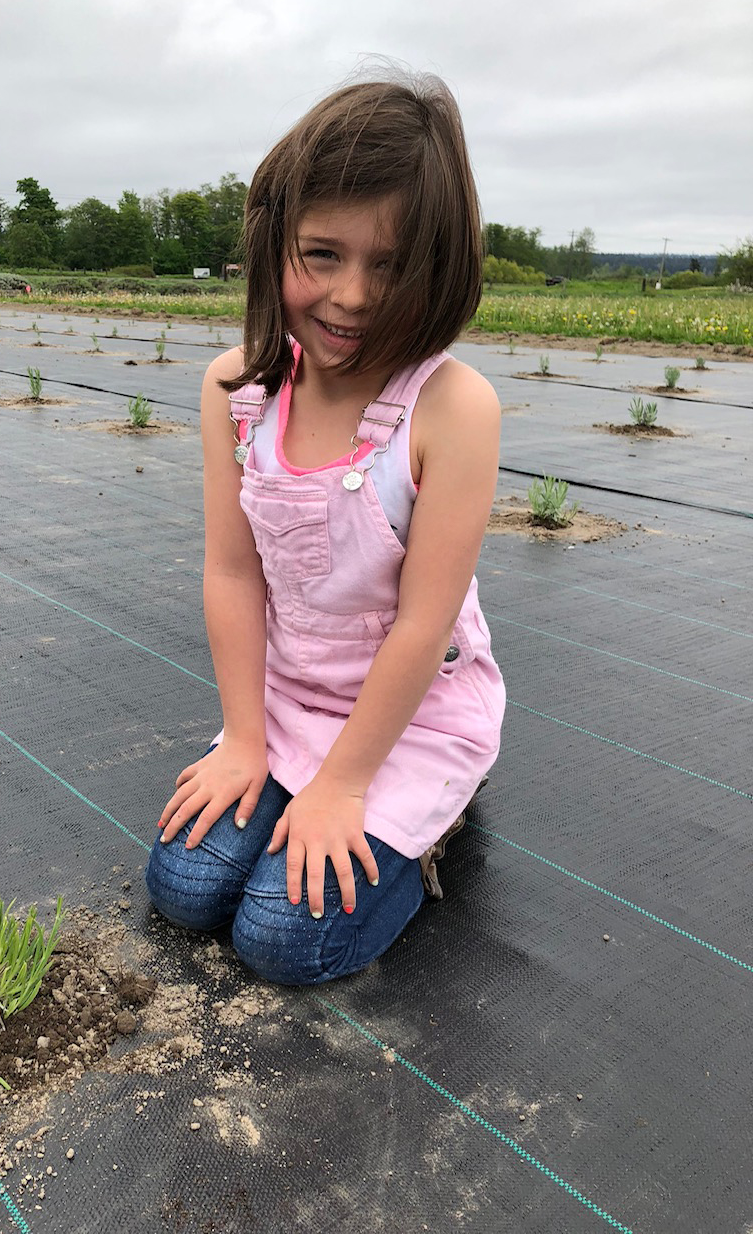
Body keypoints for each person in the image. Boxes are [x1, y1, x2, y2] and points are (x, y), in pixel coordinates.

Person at [145, 74, 505, 985]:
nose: (351, 296)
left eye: (389, 265)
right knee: (184, 887)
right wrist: (242, 741)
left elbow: (425, 625)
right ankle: (290, 784)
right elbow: (232, 576)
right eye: (322, 255)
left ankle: (432, 821)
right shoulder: (239, 389)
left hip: (411, 714)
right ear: (274, 244)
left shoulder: (451, 408)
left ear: (443, 263)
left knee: (284, 939)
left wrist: (343, 786)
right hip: (288, 694)